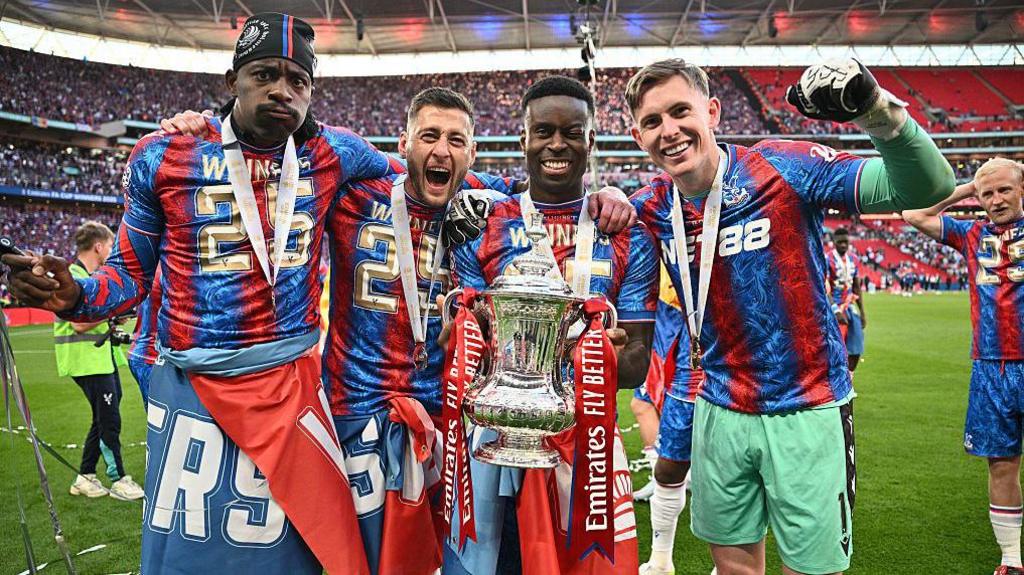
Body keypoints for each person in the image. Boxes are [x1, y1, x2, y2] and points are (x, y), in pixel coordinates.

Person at [158, 86, 636, 574]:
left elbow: (547, 187)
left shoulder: (488, 203)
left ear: (472, 153)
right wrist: (208, 127)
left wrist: (608, 194)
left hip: (446, 416)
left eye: (456, 140)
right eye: (429, 136)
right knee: (362, 560)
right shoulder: (353, 192)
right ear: (403, 143)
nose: (441, 151)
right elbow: (267, 167)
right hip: (358, 409)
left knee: (449, 557)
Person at [4, 13, 398, 574]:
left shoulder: (335, 152)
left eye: (298, 81)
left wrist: (505, 194)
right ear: (230, 82)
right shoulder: (163, 154)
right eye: (264, 74)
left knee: (307, 552)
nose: (282, 90)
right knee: (193, 557)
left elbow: (419, 179)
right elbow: (129, 276)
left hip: (292, 383)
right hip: (196, 392)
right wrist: (75, 297)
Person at [627, 58, 954, 574]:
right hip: (717, 407)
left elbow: (927, 190)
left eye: (680, 111)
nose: (669, 131)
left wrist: (876, 112)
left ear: (711, 112)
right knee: (734, 567)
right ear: (637, 134)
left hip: (809, 406)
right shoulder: (649, 207)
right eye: (652, 121)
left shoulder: (783, 166)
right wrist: (599, 199)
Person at [445, 75, 657, 575]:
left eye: (571, 132)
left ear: (591, 141)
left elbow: (635, 364)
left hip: (590, 450)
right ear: (524, 139)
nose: (556, 144)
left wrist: (584, 357)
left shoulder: (629, 233)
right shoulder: (485, 223)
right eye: (543, 131)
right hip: (493, 447)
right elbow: (470, 347)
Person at [901, 158, 1024, 575]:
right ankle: (1011, 559)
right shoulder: (971, 233)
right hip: (990, 365)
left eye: (1004, 190)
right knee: (1001, 462)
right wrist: (967, 189)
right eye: (988, 194)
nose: (996, 199)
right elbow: (914, 214)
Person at [57, 221, 144, 501]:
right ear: (98, 246)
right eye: (109, 245)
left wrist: (114, 316)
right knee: (109, 419)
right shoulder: (70, 276)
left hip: (98, 359)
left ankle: (85, 477)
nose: (111, 250)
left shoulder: (84, 275)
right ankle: (118, 478)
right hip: (87, 361)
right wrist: (112, 314)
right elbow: (79, 326)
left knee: (102, 417)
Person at [639, 269, 708, 575]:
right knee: (669, 466)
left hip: (733, 363)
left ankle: (726, 566)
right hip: (684, 363)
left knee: (727, 472)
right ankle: (661, 559)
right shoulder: (667, 224)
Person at [826, 228, 866, 373]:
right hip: (831, 308)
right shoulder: (827, 259)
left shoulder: (854, 259)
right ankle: (831, 386)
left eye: (846, 242)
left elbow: (856, 287)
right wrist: (835, 310)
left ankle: (848, 382)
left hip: (849, 306)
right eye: (840, 242)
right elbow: (824, 287)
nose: (843, 245)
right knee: (833, 349)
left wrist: (862, 312)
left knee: (856, 348)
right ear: (834, 242)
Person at [126, 266, 161, 403]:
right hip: (152, 356)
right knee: (162, 419)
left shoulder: (149, 269)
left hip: (142, 352)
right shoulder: (168, 269)